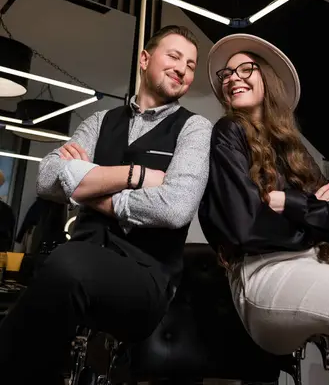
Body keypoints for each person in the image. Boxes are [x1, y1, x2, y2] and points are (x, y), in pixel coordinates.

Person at [0, 25, 212, 384]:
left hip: (146, 278)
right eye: (174, 57)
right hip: (79, 263)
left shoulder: (195, 129)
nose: (183, 69)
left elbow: (175, 207)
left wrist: (86, 184)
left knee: (67, 262)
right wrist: (135, 175)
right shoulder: (100, 121)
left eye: (191, 65)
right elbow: (47, 177)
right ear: (145, 59)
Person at [198, 33, 329, 385]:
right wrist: (313, 215)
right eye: (226, 74)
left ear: (268, 79)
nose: (232, 77)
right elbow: (245, 227)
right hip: (263, 279)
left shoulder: (294, 149)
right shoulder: (228, 132)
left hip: (311, 267)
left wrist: (286, 202)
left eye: (245, 68)